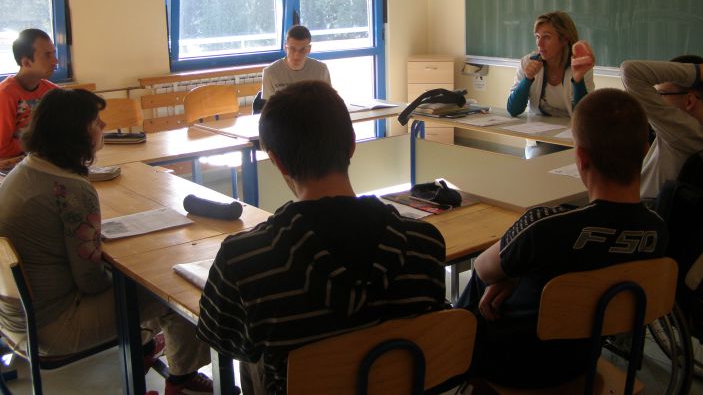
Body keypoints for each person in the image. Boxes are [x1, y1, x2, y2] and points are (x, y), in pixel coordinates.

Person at [197, 80, 447, 395]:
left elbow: (223, 340)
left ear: (277, 161)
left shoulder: (243, 259)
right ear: (352, 145)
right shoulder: (426, 244)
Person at [0, 89, 215, 395]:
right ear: (74, 132)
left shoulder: (24, 170)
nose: (103, 126)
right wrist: (135, 274)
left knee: (133, 276)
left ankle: (142, 347)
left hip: (15, 319)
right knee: (174, 287)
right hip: (53, 328)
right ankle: (181, 379)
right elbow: (90, 281)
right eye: (96, 121)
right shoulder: (71, 191)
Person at [457, 88, 668, 388]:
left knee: (482, 285)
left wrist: (514, 273)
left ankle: (453, 364)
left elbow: (482, 268)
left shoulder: (545, 226)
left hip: (510, 367)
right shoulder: (658, 231)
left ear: (580, 157)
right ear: (645, 150)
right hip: (582, 362)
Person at [620, 57, 703, 200]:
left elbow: (630, 71)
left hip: (641, 209)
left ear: (689, 101)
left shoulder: (684, 133)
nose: (657, 99)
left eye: (661, 94)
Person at [506, 11, 595, 117]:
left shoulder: (580, 66)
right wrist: (527, 79)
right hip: (536, 126)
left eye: (546, 37)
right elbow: (513, 110)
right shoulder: (528, 62)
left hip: (569, 126)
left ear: (564, 39)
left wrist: (578, 81)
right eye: (537, 37)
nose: (539, 43)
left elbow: (585, 115)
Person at [0, 29, 59, 158]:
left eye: (54, 53)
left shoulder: (53, 91)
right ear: (26, 62)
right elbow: (2, 148)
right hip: (13, 163)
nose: (56, 61)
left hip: (41, 157)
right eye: (47, 55)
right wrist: (43, 142)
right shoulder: (5, 94)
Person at [261, 25, 331, 100]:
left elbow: (328, 100)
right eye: (292, 49)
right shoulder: (270, 72)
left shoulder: (321, 70)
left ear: (309, 49)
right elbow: (269, 105)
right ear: (285, 47)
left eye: (302, 50)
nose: (297, 55)